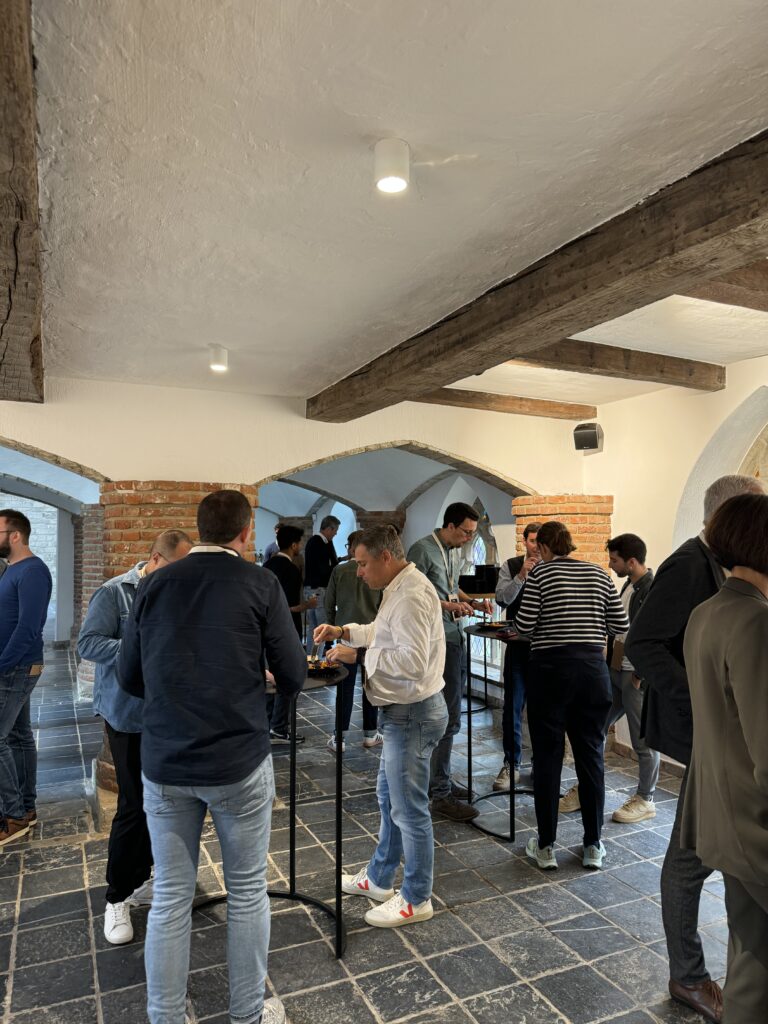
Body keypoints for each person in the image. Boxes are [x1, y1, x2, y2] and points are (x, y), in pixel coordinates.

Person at [118, 489, 306, 1024]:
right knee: (246, 892)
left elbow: (130, 676)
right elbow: (293, 672)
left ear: (198, 529)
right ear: (246, 533)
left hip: (166, 758)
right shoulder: (260, 582)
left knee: (171, 896)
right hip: (236, 757)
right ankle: (247, 1015)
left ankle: (165, 1017)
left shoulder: (153, 583)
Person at [626, 473, 764, 1024]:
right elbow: (643, 643)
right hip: (709, 736)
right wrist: (703, 700)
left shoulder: (721, 573)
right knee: (689, 861)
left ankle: (704, 974)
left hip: (717, 739)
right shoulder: (688, 565)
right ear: (733, 519)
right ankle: (688, 975)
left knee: (702, 855)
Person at [314, 525, 448, 928]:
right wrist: (344, 631)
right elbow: (381, 632)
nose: (358, 572)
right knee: (390, 800)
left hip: (413, 713)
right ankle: (379, 878)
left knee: (409, 809)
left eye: (362, 563)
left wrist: (358, 657)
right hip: (402, 713)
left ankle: (417, 897)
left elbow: (412, 663)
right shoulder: (397, 586)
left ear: (385, 557)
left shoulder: (411, 594)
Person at [77, 529, 193, 944]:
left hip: (167, 714)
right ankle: (117, 896)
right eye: (176, 568)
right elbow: (88, 644)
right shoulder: (114, 593)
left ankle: (144, 879)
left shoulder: (176, 592)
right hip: (127, 715)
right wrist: (138, 646)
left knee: (161, 801)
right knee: (132, 805)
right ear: (155, 559)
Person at [681, 492, 768, 1024]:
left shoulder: (707, 612)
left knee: (751, 955)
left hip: (719, 812)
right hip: (754, 825)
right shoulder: (755, 620)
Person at [515, 520, 628, 872]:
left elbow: (524, 626)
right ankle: (593, 845)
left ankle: (546, 846)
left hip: (550, 673)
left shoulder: (541, 574)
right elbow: (621, 625)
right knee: (590, 756)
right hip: (593, 674)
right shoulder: (598, 574)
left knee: (548, 758)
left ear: (545, 547)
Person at [559, 533, 659, 823]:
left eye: (614, 560)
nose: (610, 565)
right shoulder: (628, 584)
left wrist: (640, 674)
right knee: (594, 728)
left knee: (643, 741)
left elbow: (653, 633)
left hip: (633, 676)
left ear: (631, 561)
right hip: (615, 671)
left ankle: (646, 799)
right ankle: (587, 787)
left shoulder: (651, 588)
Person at [408, 502, 491, 822]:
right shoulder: (422, 550)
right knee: (445, 716)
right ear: (451, 526)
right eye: (466, 532)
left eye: (472, 534)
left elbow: (451, 588)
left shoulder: (453, 550)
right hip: (436, 640)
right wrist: (449, 606)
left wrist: (472, 602)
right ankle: (440, 793)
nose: (469, 539)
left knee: (451, 715)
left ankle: (438, 780)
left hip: (455, 636)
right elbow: (414, 596)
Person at [0, 509, 52, 847]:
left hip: (16, 667)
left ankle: (14, 815)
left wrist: (2, 664)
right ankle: (25, 809)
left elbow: (29, 627)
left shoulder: (32, 571)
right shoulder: (12, 569)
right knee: (18, 736)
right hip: (13, 666)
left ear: (15, 535)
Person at [324, 530, 382, 753]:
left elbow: (329, 603)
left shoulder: (339, 570)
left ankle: (339, 738)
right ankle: (370, 734)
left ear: (350, 547)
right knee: (371, 688)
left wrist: (330, 629)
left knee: (344, 689)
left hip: (345, 636)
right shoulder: (377, 571)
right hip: (372, 636)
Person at [493, 522, 541, 790]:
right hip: (518, 649)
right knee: (512, 707)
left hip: (544, 649)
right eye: (532, 541)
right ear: (525, 541)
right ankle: (511, 764)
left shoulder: (552, 567)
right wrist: (521, 575)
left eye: (540, 541)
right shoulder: (511, 566)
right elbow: (502, 599)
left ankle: (540, 765)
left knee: (541, 709)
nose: (536, 546)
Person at [263, 525, 318, 746]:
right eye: (300, 543)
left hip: (265, 630)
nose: (300, 547)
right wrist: (309, 605)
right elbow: (288, 607)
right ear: (294, 544)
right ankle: (279, 728)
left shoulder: (266, 566)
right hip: (285, 632)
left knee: (269, 678)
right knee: (286, 678)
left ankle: (268, 724)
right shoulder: (292, 570)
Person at [303, 515, 340, 652]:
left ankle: (311, 659)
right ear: (329, 528)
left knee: (313, 627)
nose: (336, 534)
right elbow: (324, 569)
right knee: (322, 628)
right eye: (335, 530)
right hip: (318, 589)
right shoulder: (319, 543)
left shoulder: (315, 541)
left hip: (310, 589)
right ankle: (315, 659)